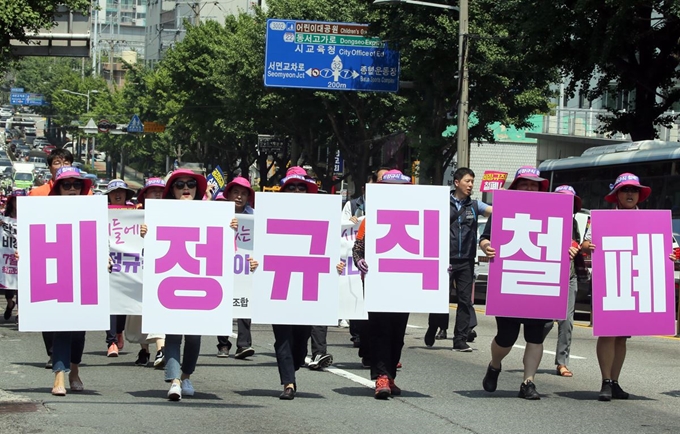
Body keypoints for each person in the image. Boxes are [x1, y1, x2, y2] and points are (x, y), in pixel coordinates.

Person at [479, 166, 574, 400]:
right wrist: (486, 247)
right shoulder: (503, 208)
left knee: (535, 336)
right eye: (525, 183)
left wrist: (570, 250)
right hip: (510, 280)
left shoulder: (554, 211)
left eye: (535, 184)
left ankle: (528, 382)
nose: (530, 188)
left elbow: (568, 242)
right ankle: (494, 364)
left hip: (540, 280)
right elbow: (485, 238)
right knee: (506, 337)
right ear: (516, 187)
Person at [581, 173, 675, 401]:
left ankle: (614, 381)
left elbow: (670, 249)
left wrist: (671, 255)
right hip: (611, 281)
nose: (630, 194)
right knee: (608, 333)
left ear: (640, 195)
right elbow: (585, 244)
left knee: (622, 336)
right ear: (617, 195)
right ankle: (605, 381)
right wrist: (588, 246)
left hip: (635, 281)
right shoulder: (601, 219)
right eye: (625, 190)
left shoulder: (652, 221)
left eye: (634, 190)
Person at [352, 169, 413, 399]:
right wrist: (361, 261)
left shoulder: (417, 217)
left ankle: (390, 375)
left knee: (398, 331)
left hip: (406, 282)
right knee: (379, 329)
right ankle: (381, 376)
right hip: (377, 282)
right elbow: (357, 248)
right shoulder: (370, 220)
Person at [271, 166, 328, 400]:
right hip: (278, 280)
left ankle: (292, 366)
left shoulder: (321, 215)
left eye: (301, 187)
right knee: (282, 336)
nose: (296, 191)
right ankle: (288, 383)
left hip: (307, 281)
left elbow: (333, 246)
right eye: (291, 187)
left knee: (301, 338)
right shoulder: (270, 213)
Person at [425, 168, 491, 351]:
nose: (471, 185)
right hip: (444, 259)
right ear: (456, 182)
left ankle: (460, 339)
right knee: (440, 298)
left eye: (472, 182)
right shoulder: (441, 202)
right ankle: (433, 326)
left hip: (467, 260)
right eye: (467, 181)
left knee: (464, 300)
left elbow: (494, 212)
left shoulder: (475, 205)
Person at [159, 169, 209, 401]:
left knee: (194, 337)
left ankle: (186, 375)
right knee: (173, 335)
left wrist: (230, 225)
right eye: (180, 184)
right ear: (172, 190)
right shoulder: (160, 214)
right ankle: (175, 381)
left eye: (191, 183)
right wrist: (145, 231)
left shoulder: (211, 213)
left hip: (200, 280)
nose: (186, 187)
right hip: (171, 279)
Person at [46, 167, 96, 396]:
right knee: (61, 329)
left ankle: (74, 370)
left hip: (84, 274)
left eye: (77, 185)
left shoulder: (92, 211)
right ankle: (59, 375)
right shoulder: (43, 211)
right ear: (58, 189)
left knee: (78, 331)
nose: (73, 189)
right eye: (67, 185)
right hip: (57, 273)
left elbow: (100, 239)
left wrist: (103, 257)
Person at [214, 177, 256, 360]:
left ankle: (243, 345)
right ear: (229, 194)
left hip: (245, 266)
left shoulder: (254, 215)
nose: (239, 197)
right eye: (236, 193)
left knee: (245, 302)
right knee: (222, 302)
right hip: (221, 263)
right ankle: (223, 344)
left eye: (244, 193)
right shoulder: (218, 212)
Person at [126, 177, 167, 367]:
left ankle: (161, 349)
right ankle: (145, 350)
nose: (157, 194)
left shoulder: (173, 215)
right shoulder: (133, 216)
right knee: (138, 313)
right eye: (153, 191)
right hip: (137, 272)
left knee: (159, 309)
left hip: (164, 272)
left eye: (160, 191)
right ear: (145, 195)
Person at [543, 185, 583, 377]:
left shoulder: (574, 222)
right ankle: (533, 345)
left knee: (566, 321)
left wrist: (578, 246)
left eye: (570, 201)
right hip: (549, 276)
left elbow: (576, 243)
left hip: (570, 277)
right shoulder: (544, 219)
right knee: (546, 322)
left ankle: (562, 362)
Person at [104, 179, 137, 357]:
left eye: (121, 192)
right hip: (107, 262)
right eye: (114, 192)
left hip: (128, 264)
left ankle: (119, 332)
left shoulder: (135, 212)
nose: (118, 195)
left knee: (122, 302)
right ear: (109, 196)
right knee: (109, 303)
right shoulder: (100, 213)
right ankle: (111, 342)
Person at [2, 190, 25, 322]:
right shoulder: (5, 217)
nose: (19, 203)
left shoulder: (31, 216)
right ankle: (10, 303)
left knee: (21, 287)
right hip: (7, 256)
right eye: (16, 200)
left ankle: (20, 313)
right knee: (9, 286)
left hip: (22, 256)